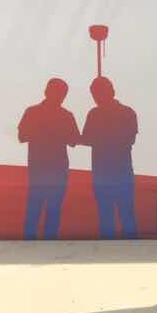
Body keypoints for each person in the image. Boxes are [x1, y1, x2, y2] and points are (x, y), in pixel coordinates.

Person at [18, 78, 81, 240]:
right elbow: (75, 140)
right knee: (48, 211)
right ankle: (43, 245)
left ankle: (33, 244)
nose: (60, 97)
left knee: (39, 210)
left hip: (44, 169)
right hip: (51, 170)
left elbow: (74, 140)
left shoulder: (33, 112)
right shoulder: (64, 115)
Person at [80, 76, 138, 238]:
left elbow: (86, 139)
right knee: (122, 215)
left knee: (109, 216)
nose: (96, 97)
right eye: (94, 94)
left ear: (110, 92)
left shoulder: (96, 114)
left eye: (97, 94)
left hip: (107, 173)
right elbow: (130, 139)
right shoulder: (127, 112)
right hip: (117, 172)